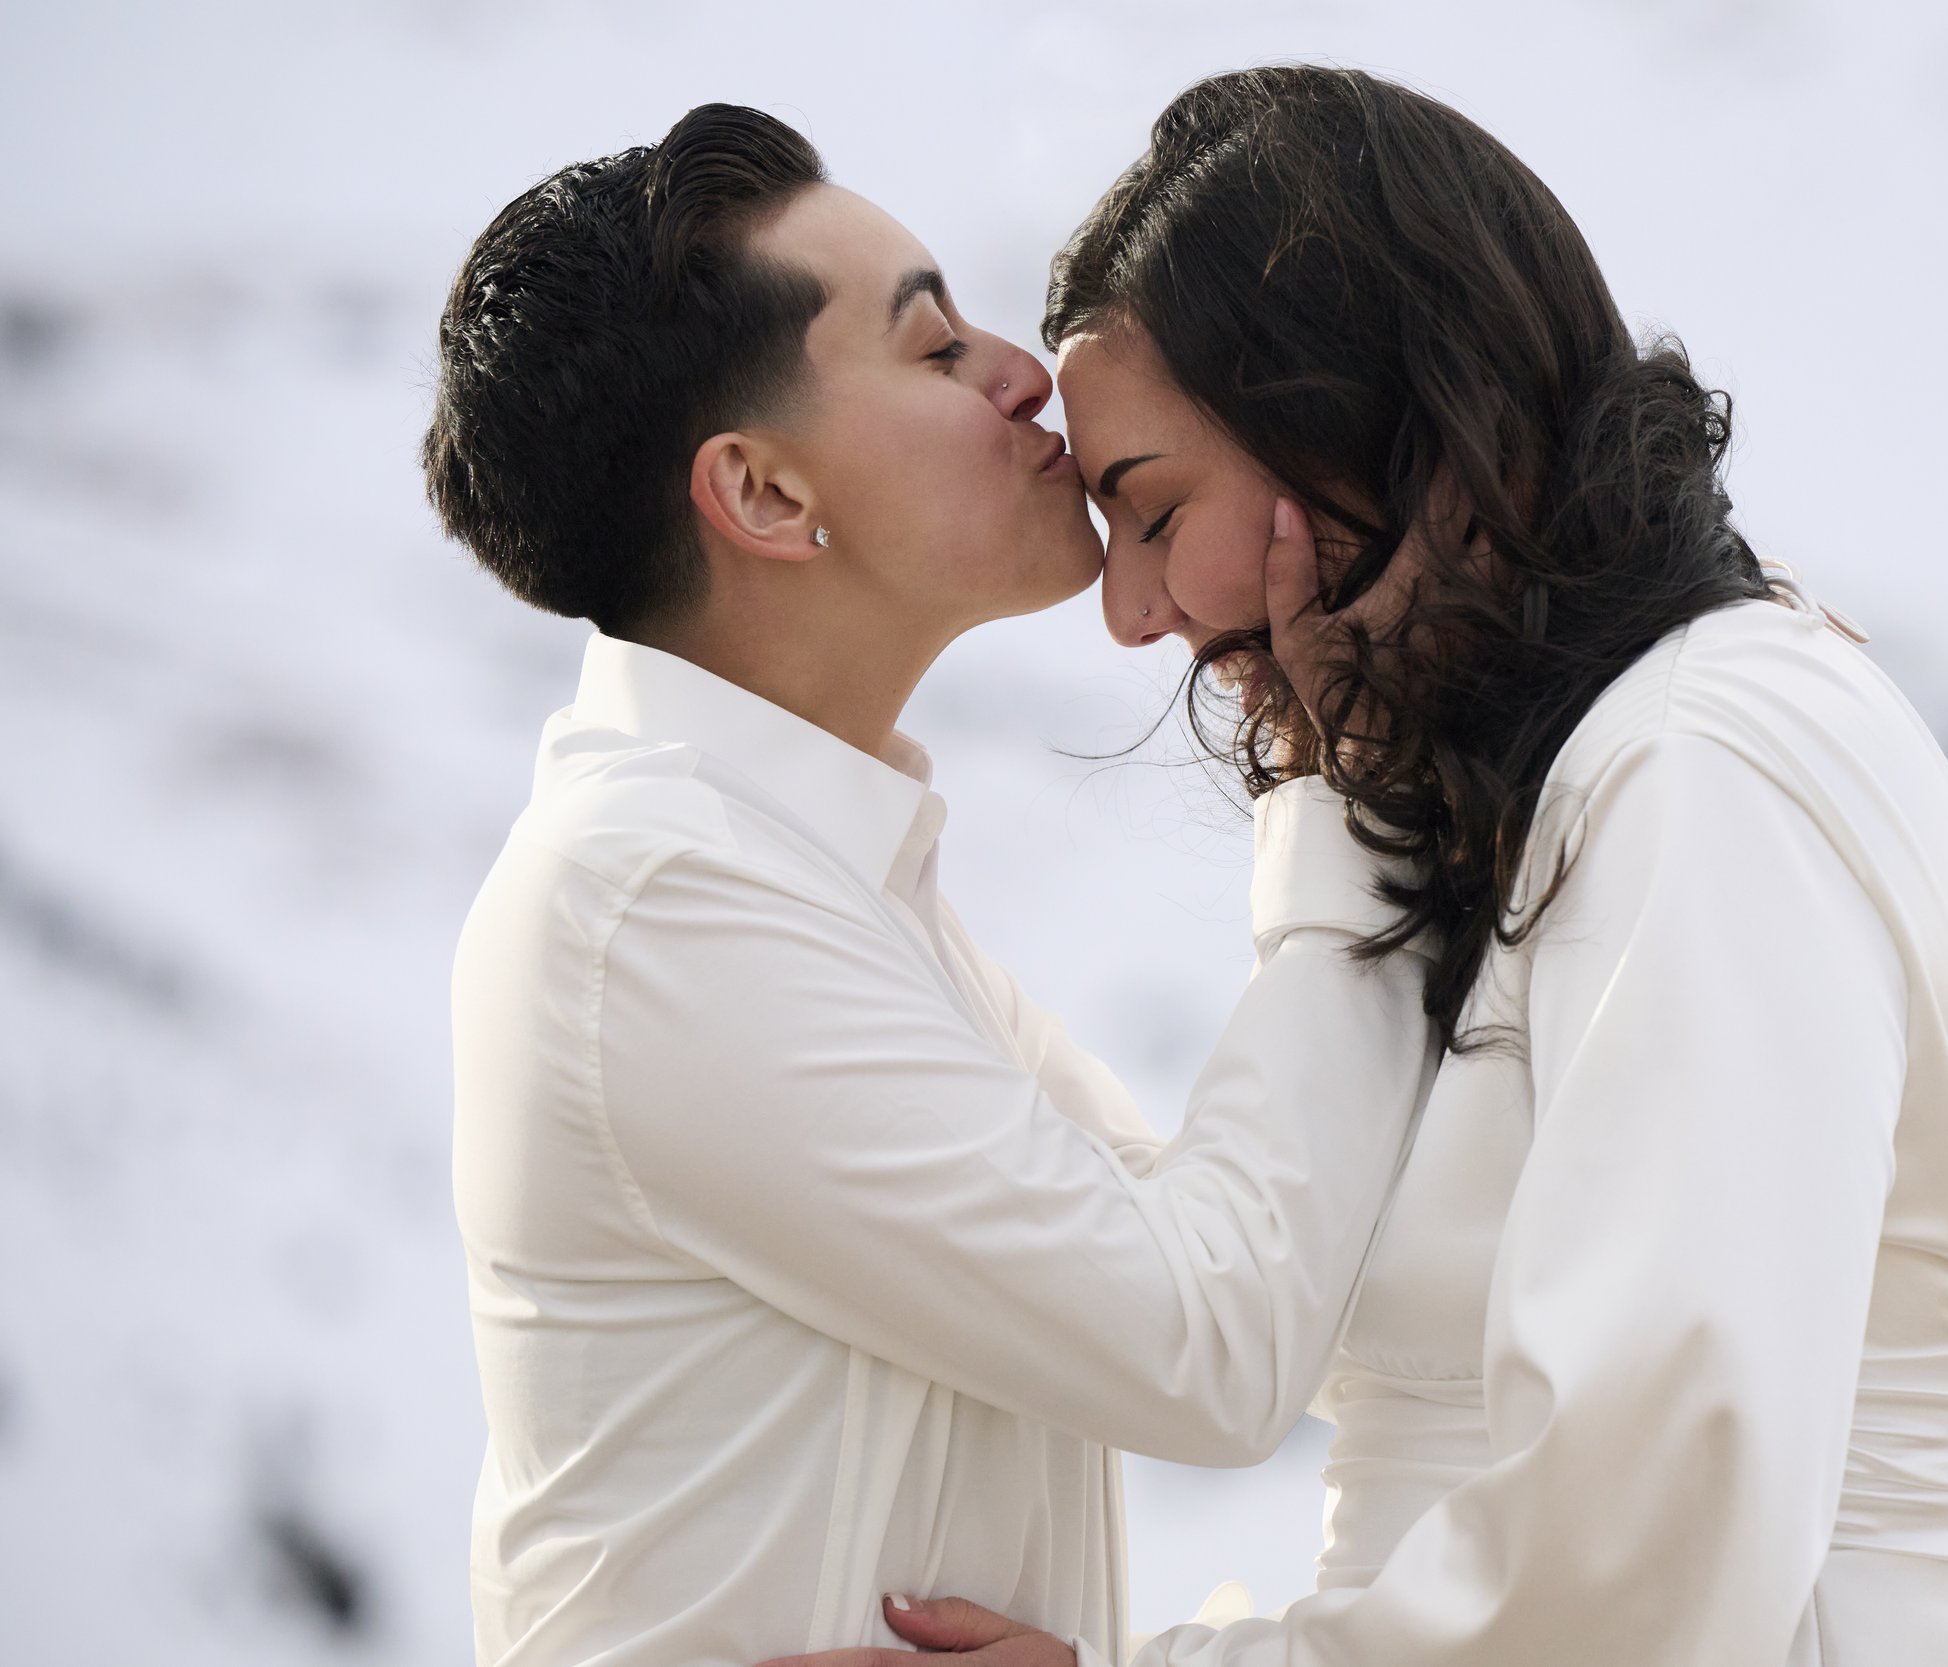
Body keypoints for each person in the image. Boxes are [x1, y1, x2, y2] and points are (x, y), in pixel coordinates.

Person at [792, 65, 1948, 1667]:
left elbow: (1650, 1543)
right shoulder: (1575, 785)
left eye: (1151, 507)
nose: (1126, 612)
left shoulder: (1702, 765)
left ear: (1366, 425)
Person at [426, 103, 1441, 1667]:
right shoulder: (657, 908)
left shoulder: (810, 880)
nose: (1022, 371)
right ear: (763, 495)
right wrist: (1343, 770)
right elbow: (1215, 1341)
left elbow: (1279, 1279)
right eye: (931, 349)